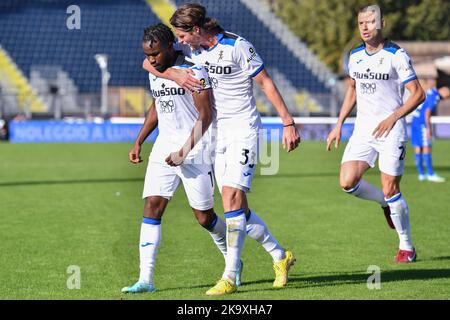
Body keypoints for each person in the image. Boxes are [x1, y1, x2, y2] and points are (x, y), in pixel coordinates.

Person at [144, 3, 301, 295]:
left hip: (243, 129)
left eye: (182, 35)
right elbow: (148, 63)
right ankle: (281, 256)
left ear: (197, 29)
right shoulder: (192, 51)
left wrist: (287, 122)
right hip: (216, 134)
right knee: (237, 208)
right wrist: (175, 75)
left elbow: (265, 82)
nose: (179, 42)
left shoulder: (238, 46)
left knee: (230, 198)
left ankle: (229, 275)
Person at [122, 23, 239, 293]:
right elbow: (157, 106)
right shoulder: (156, 70)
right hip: (164, 147)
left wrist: (185, 151)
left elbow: (206, 115)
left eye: (156, 54)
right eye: (148, 55)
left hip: (196, 150)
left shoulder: (194, 71)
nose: (151, 60)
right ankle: (146, 280)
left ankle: (232, 262)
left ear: (171, 47)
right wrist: (139, 140)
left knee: (204, 217)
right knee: (152, 205)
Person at [326, 5, 425, 263]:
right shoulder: (355, 55)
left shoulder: (397, 55)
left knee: (391, 187)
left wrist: (393, 117)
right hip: (363, 130)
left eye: (371, 22)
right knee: (347, 182)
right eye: (361, 23)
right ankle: (385, 204)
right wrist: (338, 124)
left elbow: (418, 94)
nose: (366, 27)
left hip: (392, 130)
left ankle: (407, 247)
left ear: (382, 23)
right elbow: (352, 90)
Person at [411, 85, 450, 182]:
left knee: (418, 147)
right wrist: (428, 129)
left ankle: (421, 174)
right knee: (426, 147)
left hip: (414, 121)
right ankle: (430, 174)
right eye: (447, 96)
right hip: (421, 124)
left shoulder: (430, 91)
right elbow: (427, 112)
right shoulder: (435, 97)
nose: (446, 98)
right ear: (444, 91)